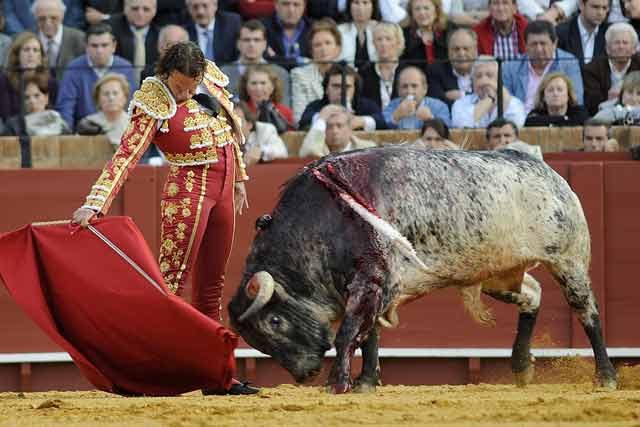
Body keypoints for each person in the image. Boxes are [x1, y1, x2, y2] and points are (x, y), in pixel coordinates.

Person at [70, 41, 258, 395]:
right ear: (166, 74)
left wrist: (241, 178)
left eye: (191, 85)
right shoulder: (152, 100)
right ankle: (146, 373)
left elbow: (229, 135)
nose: (185, 93)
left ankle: (215, 375)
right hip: (187, 192)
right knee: (170, 286)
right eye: (179, 86)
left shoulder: (209, 82)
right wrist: (96, 203)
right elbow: (126, 155)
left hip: (222, 192)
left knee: (212, 287)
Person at [55, 23, 137, 131]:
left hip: (120, 128)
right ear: (86, 47)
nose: (99, 51)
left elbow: (132, 104)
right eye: (94, 46)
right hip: (85, 130)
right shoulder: (73, 68)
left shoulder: (125, 67)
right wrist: (67, 134)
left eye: (104, 45)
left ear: (113, 46)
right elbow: (66, 106)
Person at [501, 20, 584, 113]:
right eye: (534, 44)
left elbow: (577, 100)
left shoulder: (568, 63)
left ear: (554, 43)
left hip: (555, 119)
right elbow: (505, 104)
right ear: (526, 46)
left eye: (543, 43)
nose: (539, 49)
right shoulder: (510, 67)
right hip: (520, 122)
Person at [220, 20, 291, 106]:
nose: (251, 44)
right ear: (238, 43)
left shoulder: (280, 73)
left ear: (265, 44)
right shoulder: (223, 73)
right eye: (246, 40)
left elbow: (284, 111)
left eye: (257, 40)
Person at [298, 63, 385, 130]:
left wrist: (361, 121)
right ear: (326, 89)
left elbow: (382, 122)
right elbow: (304, 122)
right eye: (336, 86)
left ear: (355, 89)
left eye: (347, 87)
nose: (341, 91)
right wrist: (323, 117)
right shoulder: (316, 106)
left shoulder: (367, 106)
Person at [290, 18, 343, 122]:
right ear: (311, 51)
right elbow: (299, 117)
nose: (323, 49)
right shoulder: (299, 75)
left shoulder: (349, 73)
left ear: (338, 48)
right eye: (317, 45)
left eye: (328, 43)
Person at [582, 22, 640, 115]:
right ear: (607, 48)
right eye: (617, 42)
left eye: (625, 43)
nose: (621, 46)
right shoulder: (591, 69)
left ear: (633, 49)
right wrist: (609, 100)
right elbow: (592, 105)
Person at [452, 55, 526, 128]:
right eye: (478, 76)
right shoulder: (460, 104)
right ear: (472, 82)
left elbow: (517, 126)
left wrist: (502, 97)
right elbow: (463, 126)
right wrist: (488, 100)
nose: (483, 81)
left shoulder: (514, 103)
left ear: (499, 80)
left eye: (489, 75)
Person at [0, 32, 58, 123]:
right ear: (17, 55)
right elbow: (6, 116)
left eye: (35, 50)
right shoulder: (4, 80)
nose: (31, 54)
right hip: (14, 133)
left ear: (40, 57)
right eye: (26, 50)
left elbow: (54, 115)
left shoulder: (51, 83)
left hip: (45, 132)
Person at [1, 74, 71, 136]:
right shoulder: (13, 127)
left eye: (37, 96)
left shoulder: (59, 125)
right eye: (27, 97)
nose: (32, 101)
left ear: (46, 98)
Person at [383, 66, 451, 128]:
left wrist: (431, 119)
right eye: (404, 86)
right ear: (398, 90)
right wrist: (395, 117)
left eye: (414, 86)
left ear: (425, 89)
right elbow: (380, 128)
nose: (409, 91)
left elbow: (449, 131)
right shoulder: (392, 106)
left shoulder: (439, 107)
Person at [34, 0, 86, 80]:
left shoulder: (79, 39)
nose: (48, 23)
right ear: (35, 17)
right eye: (42, 18)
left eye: (53, 18)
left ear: (62, 16)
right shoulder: (28, 40)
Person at [109, 0, 160, 83]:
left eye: (146, 9)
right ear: (125, 8)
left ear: (154, 10)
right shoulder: (110, 30)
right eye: (135, 9)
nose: (140, 14)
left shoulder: (161, 33)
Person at [358, 22, 405, 110]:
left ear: (398, 42)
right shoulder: (364, 72)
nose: (383, 44)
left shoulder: (408, 71)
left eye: (388, 39)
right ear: (373, 43)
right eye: (379, 39)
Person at [299, 105, 377, 157]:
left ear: (350, 128)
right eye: (328, 126)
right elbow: (308, 153)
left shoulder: (368, 148)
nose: (334, 131)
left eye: (339, 125)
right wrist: (321, 119)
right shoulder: (318, 149)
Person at [427, 27, 478, 107]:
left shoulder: (484, 70)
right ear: (448, 51)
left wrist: (462, 95)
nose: (461, 53)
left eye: (466, 49)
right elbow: (438, 104)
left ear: (475, 51)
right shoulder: (435, 71)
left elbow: (489, 99)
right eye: (456, 49)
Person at [76, 73, 131, 146]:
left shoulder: (134, 124)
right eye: (106, 94)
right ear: (98, 99)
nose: (111, 98)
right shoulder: (87, 124)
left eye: (115, 93)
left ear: (125, 97)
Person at [239, 64, 294, 131]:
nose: (258, 88)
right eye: (253, 83)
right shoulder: (239, 112)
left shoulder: (284, 112)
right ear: (245, 87)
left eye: (263, 83)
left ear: (272, 87)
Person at [185, 0, 241, 64]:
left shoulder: (231, 24)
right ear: (188, 8)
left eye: (205, 6)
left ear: (215, 6)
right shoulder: (183, 28)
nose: (200, 12)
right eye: (195, 7)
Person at [524, 72, 589, 127]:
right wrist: (565, 119)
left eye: (560, 90)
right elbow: (530, 122)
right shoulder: (536, 113)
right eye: (550, 90)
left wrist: (550, 122)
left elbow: (581, 121)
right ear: (543, 96)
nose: (555, 94)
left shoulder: (579, 111)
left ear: (568, 95)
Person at [556, 0, 609, 66]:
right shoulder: (561, 33)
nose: (600, 13)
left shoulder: (609, 33)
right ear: (581, 5)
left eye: (604, 8)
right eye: (595, 7)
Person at [262, 0, 312, 69]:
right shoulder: (262, 27)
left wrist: (276, 58)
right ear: (276, 5)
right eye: (285, 4)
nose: (291, 10)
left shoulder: (313, 28)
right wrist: (298, 61)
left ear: (304, 6)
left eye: (296, 5)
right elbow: (264, 59)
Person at [235, 100, 288, 165]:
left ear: (249, 125)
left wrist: (261, 152)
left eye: (237, 121)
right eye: (228, 122)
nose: (233, 126)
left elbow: (282, 152)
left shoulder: (265, 130)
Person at [400, 0, 449, 68]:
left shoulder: (448, 32)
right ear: (412, 13)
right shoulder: (403, 35)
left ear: (436, 11)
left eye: (426, 8)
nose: (422, 13)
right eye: (417, 9)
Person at [338, 0, 380, 69]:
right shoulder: (339, 31)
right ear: (349, 6)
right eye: (356, 3)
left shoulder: (382, 30)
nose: (360, 8)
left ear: (373, 6)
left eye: (365, 2)